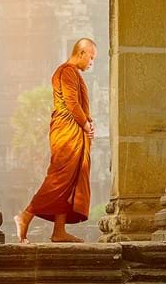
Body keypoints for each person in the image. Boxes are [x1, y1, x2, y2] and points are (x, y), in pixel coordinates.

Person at [14, 38, 97, 243]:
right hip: (67, 132)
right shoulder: (66, 71)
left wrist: (87, 124)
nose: (91, 63)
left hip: (73, 130)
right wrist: (86, 126)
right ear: (81, 53)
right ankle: (26, 215)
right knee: (60, 177)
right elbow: (71, 103)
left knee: (70, 179)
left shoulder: (72, 73)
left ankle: (59, 231)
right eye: (91, 58)